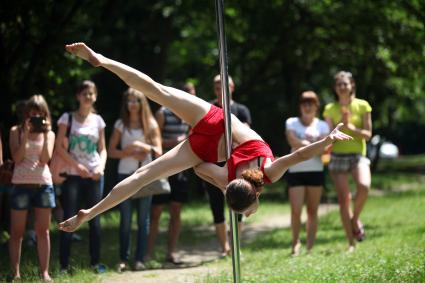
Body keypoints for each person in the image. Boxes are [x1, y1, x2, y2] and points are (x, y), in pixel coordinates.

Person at [59, 43, 352, 235]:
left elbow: (298, 155)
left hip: (213, 124)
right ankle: (90, 213)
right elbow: (201, 170)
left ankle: (102, 60)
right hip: (207, 141)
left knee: (157, 92)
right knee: (143, 175)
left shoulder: (267, 172)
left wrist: (328, 140)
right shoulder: (237, 177)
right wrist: (219, 179)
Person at [55, 80, 107, 272]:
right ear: (78, 96)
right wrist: (77, 166)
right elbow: (59, 148)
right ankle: (63, 266)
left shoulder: (99, 121)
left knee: (95, 220)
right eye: (85, 93)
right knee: (70, 218)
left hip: (95, 175)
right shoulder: (66, 118)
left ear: (96, 96)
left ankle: (95, 263)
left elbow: (103, 149)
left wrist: (101, 167)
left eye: (91, 93)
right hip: (73, 175)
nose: (88, 97)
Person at [108, 87, 162, 272]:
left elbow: (159, 151)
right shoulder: (120, 125)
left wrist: (142, 146)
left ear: (142, 103)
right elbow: (111, 151)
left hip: (145, 176)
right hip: (125, 175)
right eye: (129, 100)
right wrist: (128, 152)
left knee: (143, 220)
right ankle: (123, 259)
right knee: (125, 220)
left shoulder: (151, 124)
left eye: (136, 100)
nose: (132, 104)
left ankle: (139, 259)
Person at [323, 71, 372, 252]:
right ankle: (351, 243)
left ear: (352, 85)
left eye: (345, 84)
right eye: (339, 85)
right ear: (335, 88)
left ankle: (354, 219)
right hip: (337, 157)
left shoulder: (363, 105)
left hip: (357, 154)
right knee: (344, 200)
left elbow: (368, 134)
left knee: (364, 186)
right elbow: (329, 136)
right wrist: (335, 134)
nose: (342, 87)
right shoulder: (330, 109)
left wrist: (351, 127)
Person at [9, 95, 56, 281]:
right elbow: (17, 158)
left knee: (43, 231)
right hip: (20, 185)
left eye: (39, 112)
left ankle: (44, 273)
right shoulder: (16, 131)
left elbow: (45, 159)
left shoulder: (50, 134)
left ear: (45, 114)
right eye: (32, 112)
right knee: (17, 232)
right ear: (26, 113)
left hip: (43, 185)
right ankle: (15, 273)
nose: (35, 115)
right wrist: (27, 136)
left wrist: (43, 134)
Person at [203, 74, 251, 257]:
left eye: (223, 85)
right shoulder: (209, 108)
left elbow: (245, 134)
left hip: (238, 165)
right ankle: (224, 248)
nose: (220, 89)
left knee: (239, 202)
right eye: (216, 86)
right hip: (213, 164)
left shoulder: (242, 110)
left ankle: (235, 245)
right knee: (216, 205)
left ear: (232, 87)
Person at [145, 82, 193, 264]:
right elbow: (154, 142)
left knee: (176, 211)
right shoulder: (163, 112)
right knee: (156, 211)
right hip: (163, 167)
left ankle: (170, 253)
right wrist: (175, 141)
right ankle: (148, 254)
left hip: (181, 170)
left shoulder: (191, 116)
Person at [285, 91, 330, 256]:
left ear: (316, 106)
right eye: (304, 103)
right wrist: (313, 144)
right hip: (295, 171)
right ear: (300, 106)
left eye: (311, 103)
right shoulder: (291, 122)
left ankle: (310, 246)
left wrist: (305, 145)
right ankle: (295, 244)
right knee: (296, 210)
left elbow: (324, 149)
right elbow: (292, 141)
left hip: (315, 171)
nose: (307, 106)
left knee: (312, 211)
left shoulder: (323, 125)